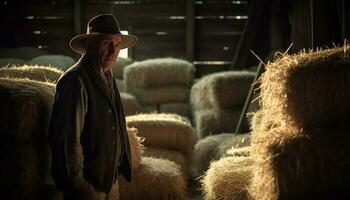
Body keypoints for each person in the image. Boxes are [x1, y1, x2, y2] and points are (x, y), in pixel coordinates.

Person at [49, 14, 137, 200]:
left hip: (108, 181)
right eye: (107, 43)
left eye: (118, 44)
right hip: (88, 187)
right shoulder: (75, 80)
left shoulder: (107, 76)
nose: (114, 50)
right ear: (90, 44)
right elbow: (67, 142)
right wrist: (79, 186)